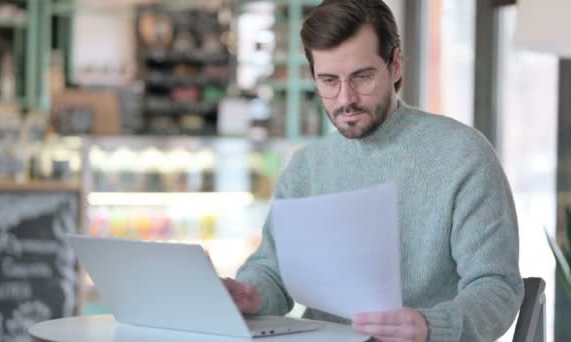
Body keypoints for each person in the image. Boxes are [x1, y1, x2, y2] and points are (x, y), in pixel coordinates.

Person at [224, 0, 524, 341]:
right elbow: (274, 272)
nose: (344, 99)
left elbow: (496, 287)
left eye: (362, 77)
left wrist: (428, 326)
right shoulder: (306, 167)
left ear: (395, 65)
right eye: (328, 80)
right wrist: (253, 294)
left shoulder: (462, 155)